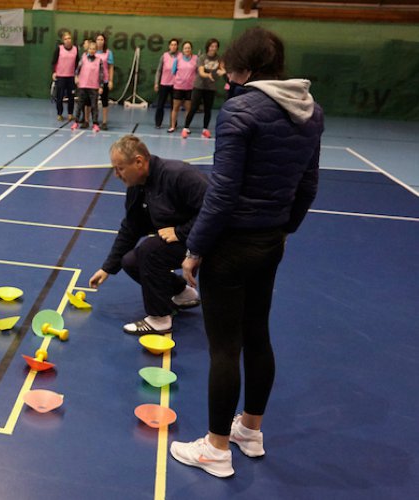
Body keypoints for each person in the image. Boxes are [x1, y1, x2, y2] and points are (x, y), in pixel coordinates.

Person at [170, 26, 324, 478]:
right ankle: (250, 431)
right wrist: (283, 229)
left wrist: (195, 248)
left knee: (225, 347)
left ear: (248, 68)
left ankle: (217, 448)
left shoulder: (241, 109)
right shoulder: (311, 111)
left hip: (232, 246)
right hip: (270, 240)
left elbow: (222, 192)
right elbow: (308, 184)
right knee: (258, 335)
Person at [88, 135, 207, 334]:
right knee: (130, 261)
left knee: (149, 250)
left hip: (208, 240)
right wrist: (107, 268)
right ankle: (183, 293)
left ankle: (160, 319)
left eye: (120, 168)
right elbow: (131, 228)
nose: (116, 175)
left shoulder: (178, 174)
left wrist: (181, 232)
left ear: (139, 162)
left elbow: (215, 211)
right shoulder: (137, 188)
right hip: (185, 240)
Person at [182, 38, 226, 139]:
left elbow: (222, 69)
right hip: (199, 86)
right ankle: (186, 128)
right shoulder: (202, 58)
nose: (213, 48)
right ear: (208, 47)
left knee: (208, 109)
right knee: (193, 108)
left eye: (215, 46)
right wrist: (208, 75)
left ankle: (205, 130)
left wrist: (223, 72)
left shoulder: (219, 59)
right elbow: (201, 72)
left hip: (211, 88)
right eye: (211, 46)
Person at [70, 41, 104, 132]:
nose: (92, 50)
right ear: (88, 49)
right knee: (80, 105)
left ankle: (95, 124)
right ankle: (76, 122)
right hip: (83, 85)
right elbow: (77, 69)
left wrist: (101, 86)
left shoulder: (99, 61)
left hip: (94, 87)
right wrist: (76, 77)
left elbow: (101, 74)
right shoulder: (83, 58)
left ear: (96, 50)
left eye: (94, 49)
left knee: (94, 106)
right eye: (90, 49)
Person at [168, 41, 197, 133]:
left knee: (188, 108)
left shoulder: (196, 59)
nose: (187, 49)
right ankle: (173, 126)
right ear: (183, 50)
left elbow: (197, 71)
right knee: (175, 107)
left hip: (190, 88)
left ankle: (186, 127)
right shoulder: (178, 59)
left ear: (191, 49)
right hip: (178, 87)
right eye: (185, 48)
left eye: (189, 48)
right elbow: (173, 71)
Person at [51, 31, 78, 122]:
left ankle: (70, 114)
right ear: (63, 40)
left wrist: (77, 75)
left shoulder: (75, 49)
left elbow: (77, 64)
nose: (68, 40)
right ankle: (59, 114)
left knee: (71, 97)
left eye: (69, 38)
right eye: (65, 39)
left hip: (71, 77)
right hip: (61, 76)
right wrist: (54, 72)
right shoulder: (59, 49)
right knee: (60, 96)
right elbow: (54, 62)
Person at [153, 38, 178, 129]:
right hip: (164, 84)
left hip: (175, 85)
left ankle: (173, 124)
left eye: (175, 45)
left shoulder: (179, 56)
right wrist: (156, 83)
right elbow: (159, 71)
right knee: (160, 105)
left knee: (174, 106)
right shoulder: (164, 56)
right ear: (169, 46)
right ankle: (158, 123)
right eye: (172, 44)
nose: (173, 46)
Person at [95, 33, 115, 130]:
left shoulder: (108, 52)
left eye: (102, 39)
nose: (100, 41)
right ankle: (92, 120)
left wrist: (110, 80)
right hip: (93, 81)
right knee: (90, 101)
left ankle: (104, 121)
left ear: (104, 41)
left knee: (104, 101)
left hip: (104, 80)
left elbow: (111, 67)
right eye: (98, 39)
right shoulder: (92, 51)